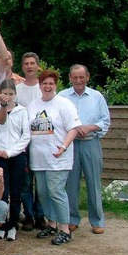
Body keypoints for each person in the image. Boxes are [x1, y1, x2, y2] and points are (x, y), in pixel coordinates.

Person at [28, 70, 81, 245]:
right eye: (45, 83)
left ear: (55, 85)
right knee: (43, 193)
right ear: (40, 85)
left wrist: (64, 147)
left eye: (51, 83)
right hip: (39, 158)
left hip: (58, 158)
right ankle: (51, 223)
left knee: (56, 192)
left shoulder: (64, 104)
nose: (48, 87)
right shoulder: (33, 105)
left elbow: (73, 128)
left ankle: (64, 228)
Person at [58, 65, 111, 234]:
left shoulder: (96, 97)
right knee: (71, 183)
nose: (78, 80)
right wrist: (72, 130)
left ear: (88, 77)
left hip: (91, 142)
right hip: (70, 144)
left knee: (93, 182)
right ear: (69, 78)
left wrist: (90, 127)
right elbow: (57, 119)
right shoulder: (62, 97)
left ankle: (97, 220)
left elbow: (105, 121)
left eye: (82, 77)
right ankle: (72, 219)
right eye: (75, 77)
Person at [0, 79, 31, 241]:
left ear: (15, 95)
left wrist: (11, 152)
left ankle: (13, 225)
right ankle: (1, 225)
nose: (8, 97)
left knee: (16, 192)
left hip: (16, 156)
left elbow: (26, 136)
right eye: (5, 93)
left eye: (11, 94)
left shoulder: (22, 111)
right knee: (2, 192)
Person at [15, 52, 45, 231]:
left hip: (42, 141)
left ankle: (41, 215)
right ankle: (28, 215)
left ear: (37, 66)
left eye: (32, 63)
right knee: (25, 182)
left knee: (40, 182)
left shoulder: (45, 87)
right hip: (23, 143)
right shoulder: (18, 89)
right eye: (26, 63)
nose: (29, 66)